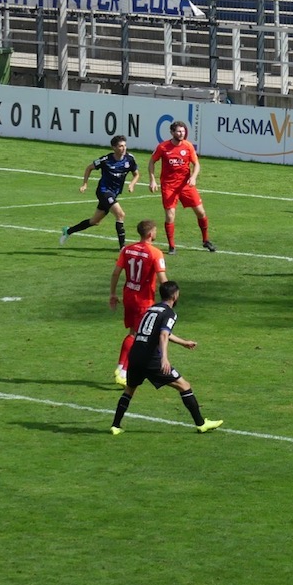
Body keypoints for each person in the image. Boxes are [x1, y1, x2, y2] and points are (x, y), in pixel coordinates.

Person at [110, 280, 223, 435]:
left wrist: (183, 343)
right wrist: (164, 358)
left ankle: (115, 426)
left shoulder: (152, 309)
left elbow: (158, 332)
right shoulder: (170, 313)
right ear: (175, 295)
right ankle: (201, 424)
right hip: (150, 358)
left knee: (129, 390)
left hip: (135, 355)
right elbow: (163, 335)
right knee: (184, 386)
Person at [109, 219, 168, 386]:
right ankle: (123, 370)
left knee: (134, 332)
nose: (156, 233)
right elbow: (163, 280)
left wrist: (112, 293)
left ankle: (126, 367)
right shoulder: (155, 253)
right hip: (144, 300)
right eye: (155, 231)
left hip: (128, 296)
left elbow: (115, 273)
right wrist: (170, 298)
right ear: (150, 234)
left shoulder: (127, 250)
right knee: (138, 335)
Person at [60, 135, 138, 250]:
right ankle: (123, 249)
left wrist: (132, 184)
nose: (124, 148)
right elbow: (89, 168)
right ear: (114, 148)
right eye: (121, 146)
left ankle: (68, 231)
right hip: (103, 191)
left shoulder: (129, 159)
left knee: (95, 221)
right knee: (120, 214)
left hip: (114, 193)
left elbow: (136, 174)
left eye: (125, 145)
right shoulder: (105, 160)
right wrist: (85, 184)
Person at [148, 120, 214, 255]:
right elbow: (152, 161)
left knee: (201, 212)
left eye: (183, 131)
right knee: (170, 215)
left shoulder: (188, 146)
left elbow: (196, 164)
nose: (181, 133)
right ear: (172, 132)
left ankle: (206, 240)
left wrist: (193, 177)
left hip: (185, 186)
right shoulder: (163, 147)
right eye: (178, 131)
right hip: (169, 186)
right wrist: (152, 180)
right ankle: (172, 246)